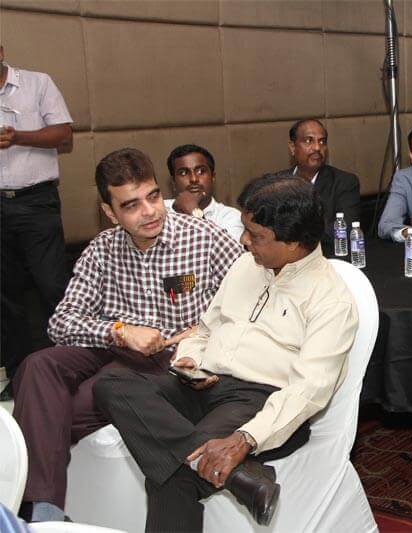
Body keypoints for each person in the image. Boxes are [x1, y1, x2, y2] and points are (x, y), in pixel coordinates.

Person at [94, 173, 358, 530]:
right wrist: (191, 360)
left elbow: (308, 392)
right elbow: (205, 329)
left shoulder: (331, 301)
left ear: (294, 242)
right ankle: (240, 477)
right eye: (245, 229)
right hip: (204, 384)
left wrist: (245, 439)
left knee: (173, 478)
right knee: (112, 383)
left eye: (256, 236)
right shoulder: (245, 265)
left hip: (261, 403)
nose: (244, 240)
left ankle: (214, 462)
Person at [11, 148, 242, 523]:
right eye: (131, 205)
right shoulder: (102, 249)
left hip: (168, 359)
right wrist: (119, 331)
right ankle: (45, 514)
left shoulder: (205, 238)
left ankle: (38, 513)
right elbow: (61, 322)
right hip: (112, 346)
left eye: (153, 196)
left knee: (56, 410)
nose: (149, 212)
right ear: (110, 212)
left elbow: (251, 300)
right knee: (37, 365)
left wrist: (203, 329)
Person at [0, 45, 72, 400]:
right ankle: (19, 376)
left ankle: (69, 368)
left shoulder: (37, 83)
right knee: (5, 294)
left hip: (36, 201)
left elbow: (63, 133)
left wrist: (18, 137)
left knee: (53, 287)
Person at [283, 119, 360, 244]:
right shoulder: (276, 184)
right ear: (292, 147)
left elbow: (344, 230)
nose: (317, 147)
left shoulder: (344, 182)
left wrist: (292, 238)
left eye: (322, 141)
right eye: (308, 141)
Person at [164, 144, 244, 240]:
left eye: (201, 171)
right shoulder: (161, 211)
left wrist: (195, 212)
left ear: (213, 177)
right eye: (183, 173)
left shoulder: (230, 217)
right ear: (173, 182)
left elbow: (225, 248)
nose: (193, 179)